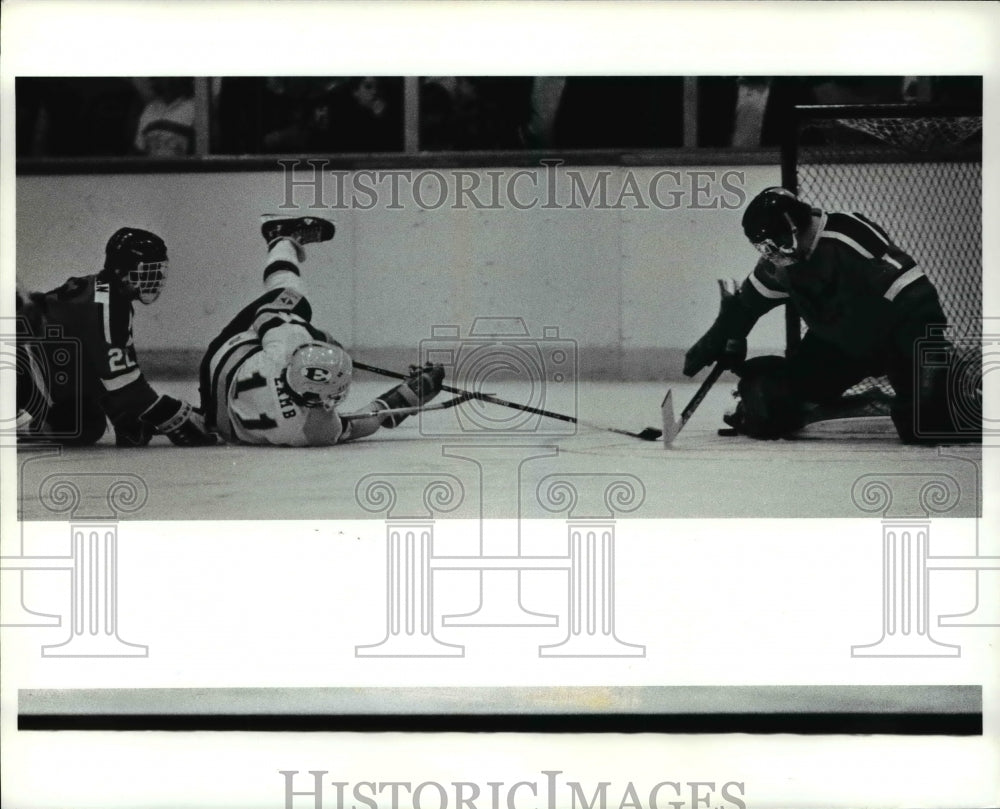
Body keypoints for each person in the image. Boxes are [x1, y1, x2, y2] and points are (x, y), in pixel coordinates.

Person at [683, 186, 979, 444]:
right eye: (763, 247)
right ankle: (871, 400)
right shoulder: (782, 264)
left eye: (775, 244)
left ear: (794, 228)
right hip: (839, 344)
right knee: (769, 404)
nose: (771, 254)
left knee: (926, 424)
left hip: (898, 335)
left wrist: (929, 364)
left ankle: (958, 378)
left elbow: (916, 298)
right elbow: (746, 305)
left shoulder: (849, 237)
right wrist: (724, 336)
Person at [199, 215, 445, 446]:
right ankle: (281, 238)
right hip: (222, 422)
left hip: (219, 364)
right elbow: (361, 424)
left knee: (293, 298)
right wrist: (408, 397)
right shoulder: (315, 431)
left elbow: (266, 314)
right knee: (294, 307)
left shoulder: (285, 350)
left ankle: (281, 241)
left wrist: (312, 334)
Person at [16, 228, 216, 447]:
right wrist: (174, 415)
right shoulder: (106, 307)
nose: (157, 278)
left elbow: (106, 368)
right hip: (23, 370)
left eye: (159, 270)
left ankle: (27, 421)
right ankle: (20, 419)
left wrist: (131, 414)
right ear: (122, 271)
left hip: (36, 367)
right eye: (149, 270)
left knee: (84, 425)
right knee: (79, 425)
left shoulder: (103, 292)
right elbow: (124, 384)